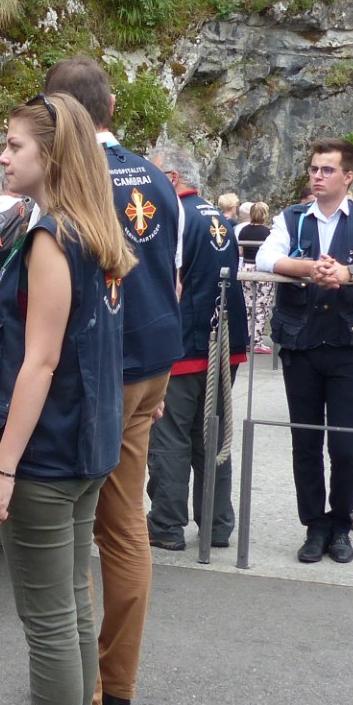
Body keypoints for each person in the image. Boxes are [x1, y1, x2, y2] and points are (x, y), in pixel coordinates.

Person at [0, 92, 132, 705]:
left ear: (51, 157)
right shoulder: (94, 231)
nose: (1, 156)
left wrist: (1, 470)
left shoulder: (51, 239)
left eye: (13, 146)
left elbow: (39, 362)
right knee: (70, 606)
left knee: (51, 624)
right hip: (85, 446)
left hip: (48, 453)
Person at [0, 56, 178, 705]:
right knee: (124, 523)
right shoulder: (156, 178)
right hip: (149, 363)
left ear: (58, 118)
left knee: (72, 544)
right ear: (107, 107)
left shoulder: (70, 199)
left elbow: (47, 347)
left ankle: (84, 702)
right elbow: (170, 279)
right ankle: (115, 680)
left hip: (100, 373)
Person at [255, 139, 353, 564]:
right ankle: (314, 525)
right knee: (304, 442)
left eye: (326, 170)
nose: (317, 176)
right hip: (301, 345)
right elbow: (267, 256)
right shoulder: (292, 217)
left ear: (348, 177)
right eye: (314, 169)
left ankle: (341, 524)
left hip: (348, 345)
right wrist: (306, 268)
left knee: (344, 445)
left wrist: (349, 272)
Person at [144, 147, 247, 552]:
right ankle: (217, 524)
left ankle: (167, 523)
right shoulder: (218, 216)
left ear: (170, 178)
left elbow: (171, 282)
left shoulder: (174, 214)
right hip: (222, 344)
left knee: (170, 438)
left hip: (186, 345)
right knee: (212, 438)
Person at [235, 202, 274, 353]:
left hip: (247, 267)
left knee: (247, 304)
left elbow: (241, 252)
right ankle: (256, 340)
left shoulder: (244, 231)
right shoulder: (267, 233)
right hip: (261, 270)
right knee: (261, 306)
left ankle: (245, 337)